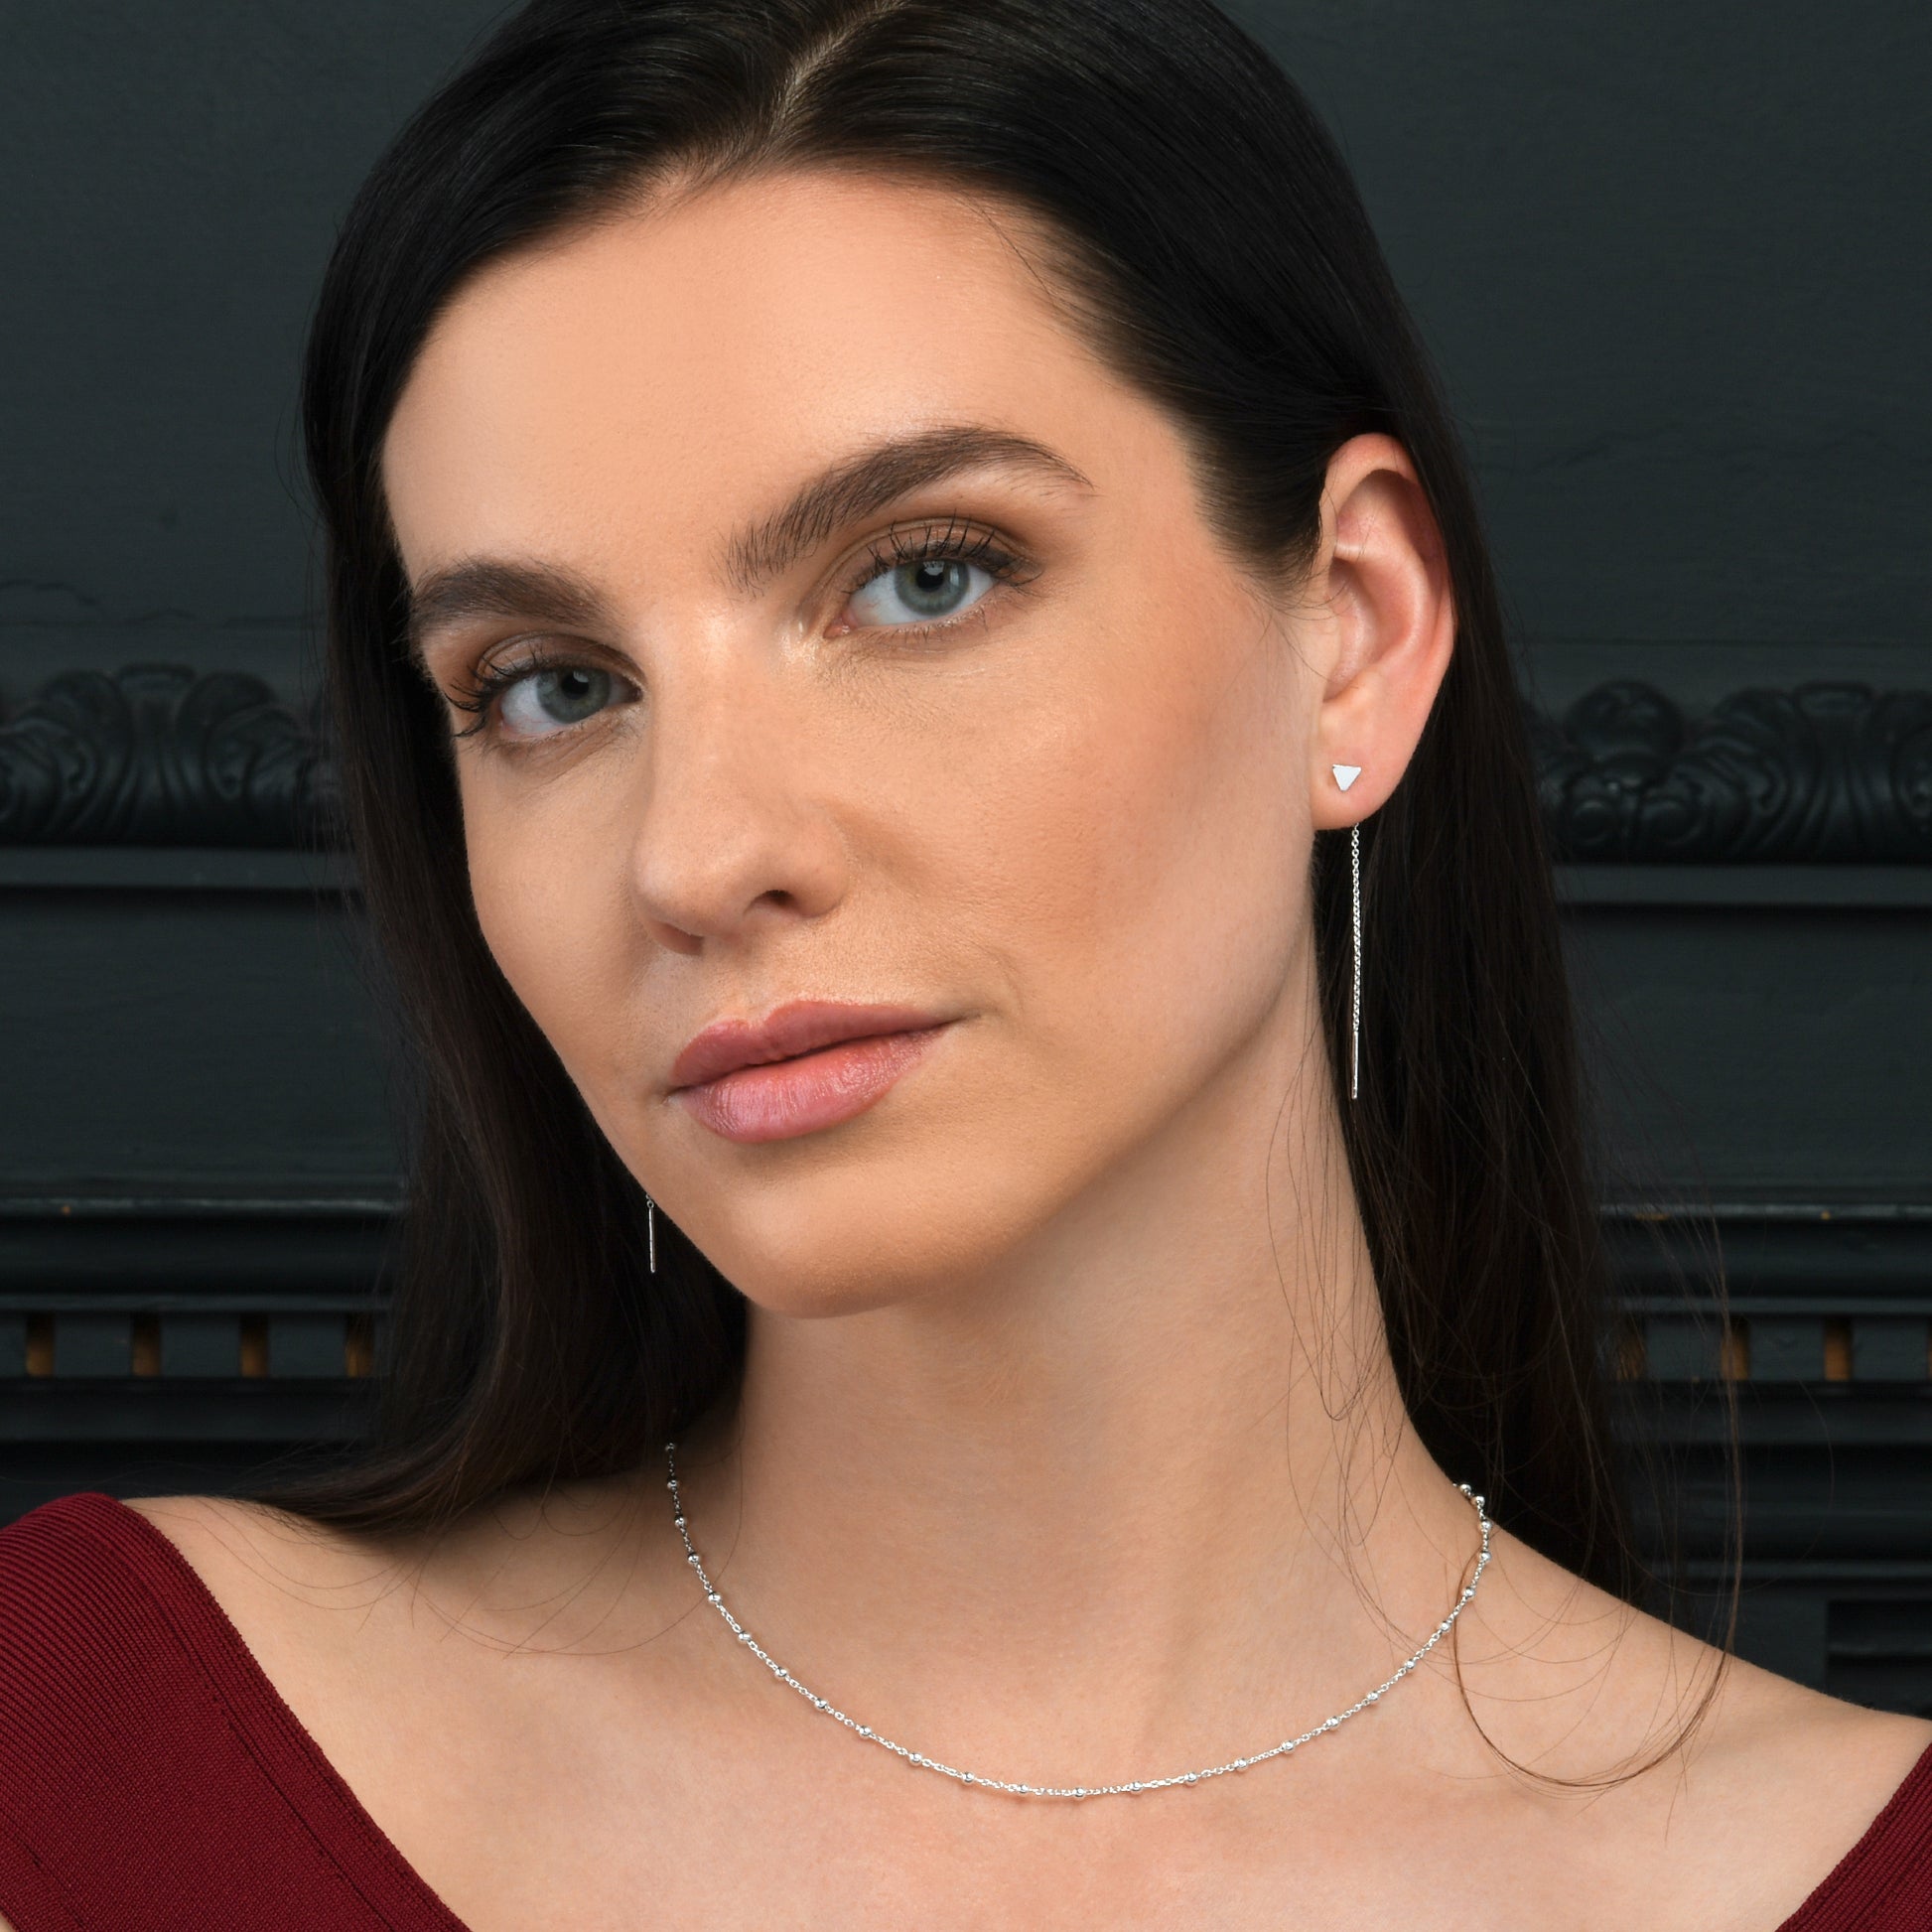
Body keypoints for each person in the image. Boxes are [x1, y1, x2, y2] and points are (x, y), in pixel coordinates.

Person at [2, 2, 1927, 1925]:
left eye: (924, 576)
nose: (697, 856)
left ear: (1350, 631)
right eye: (551, 686)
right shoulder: (82, 1756)